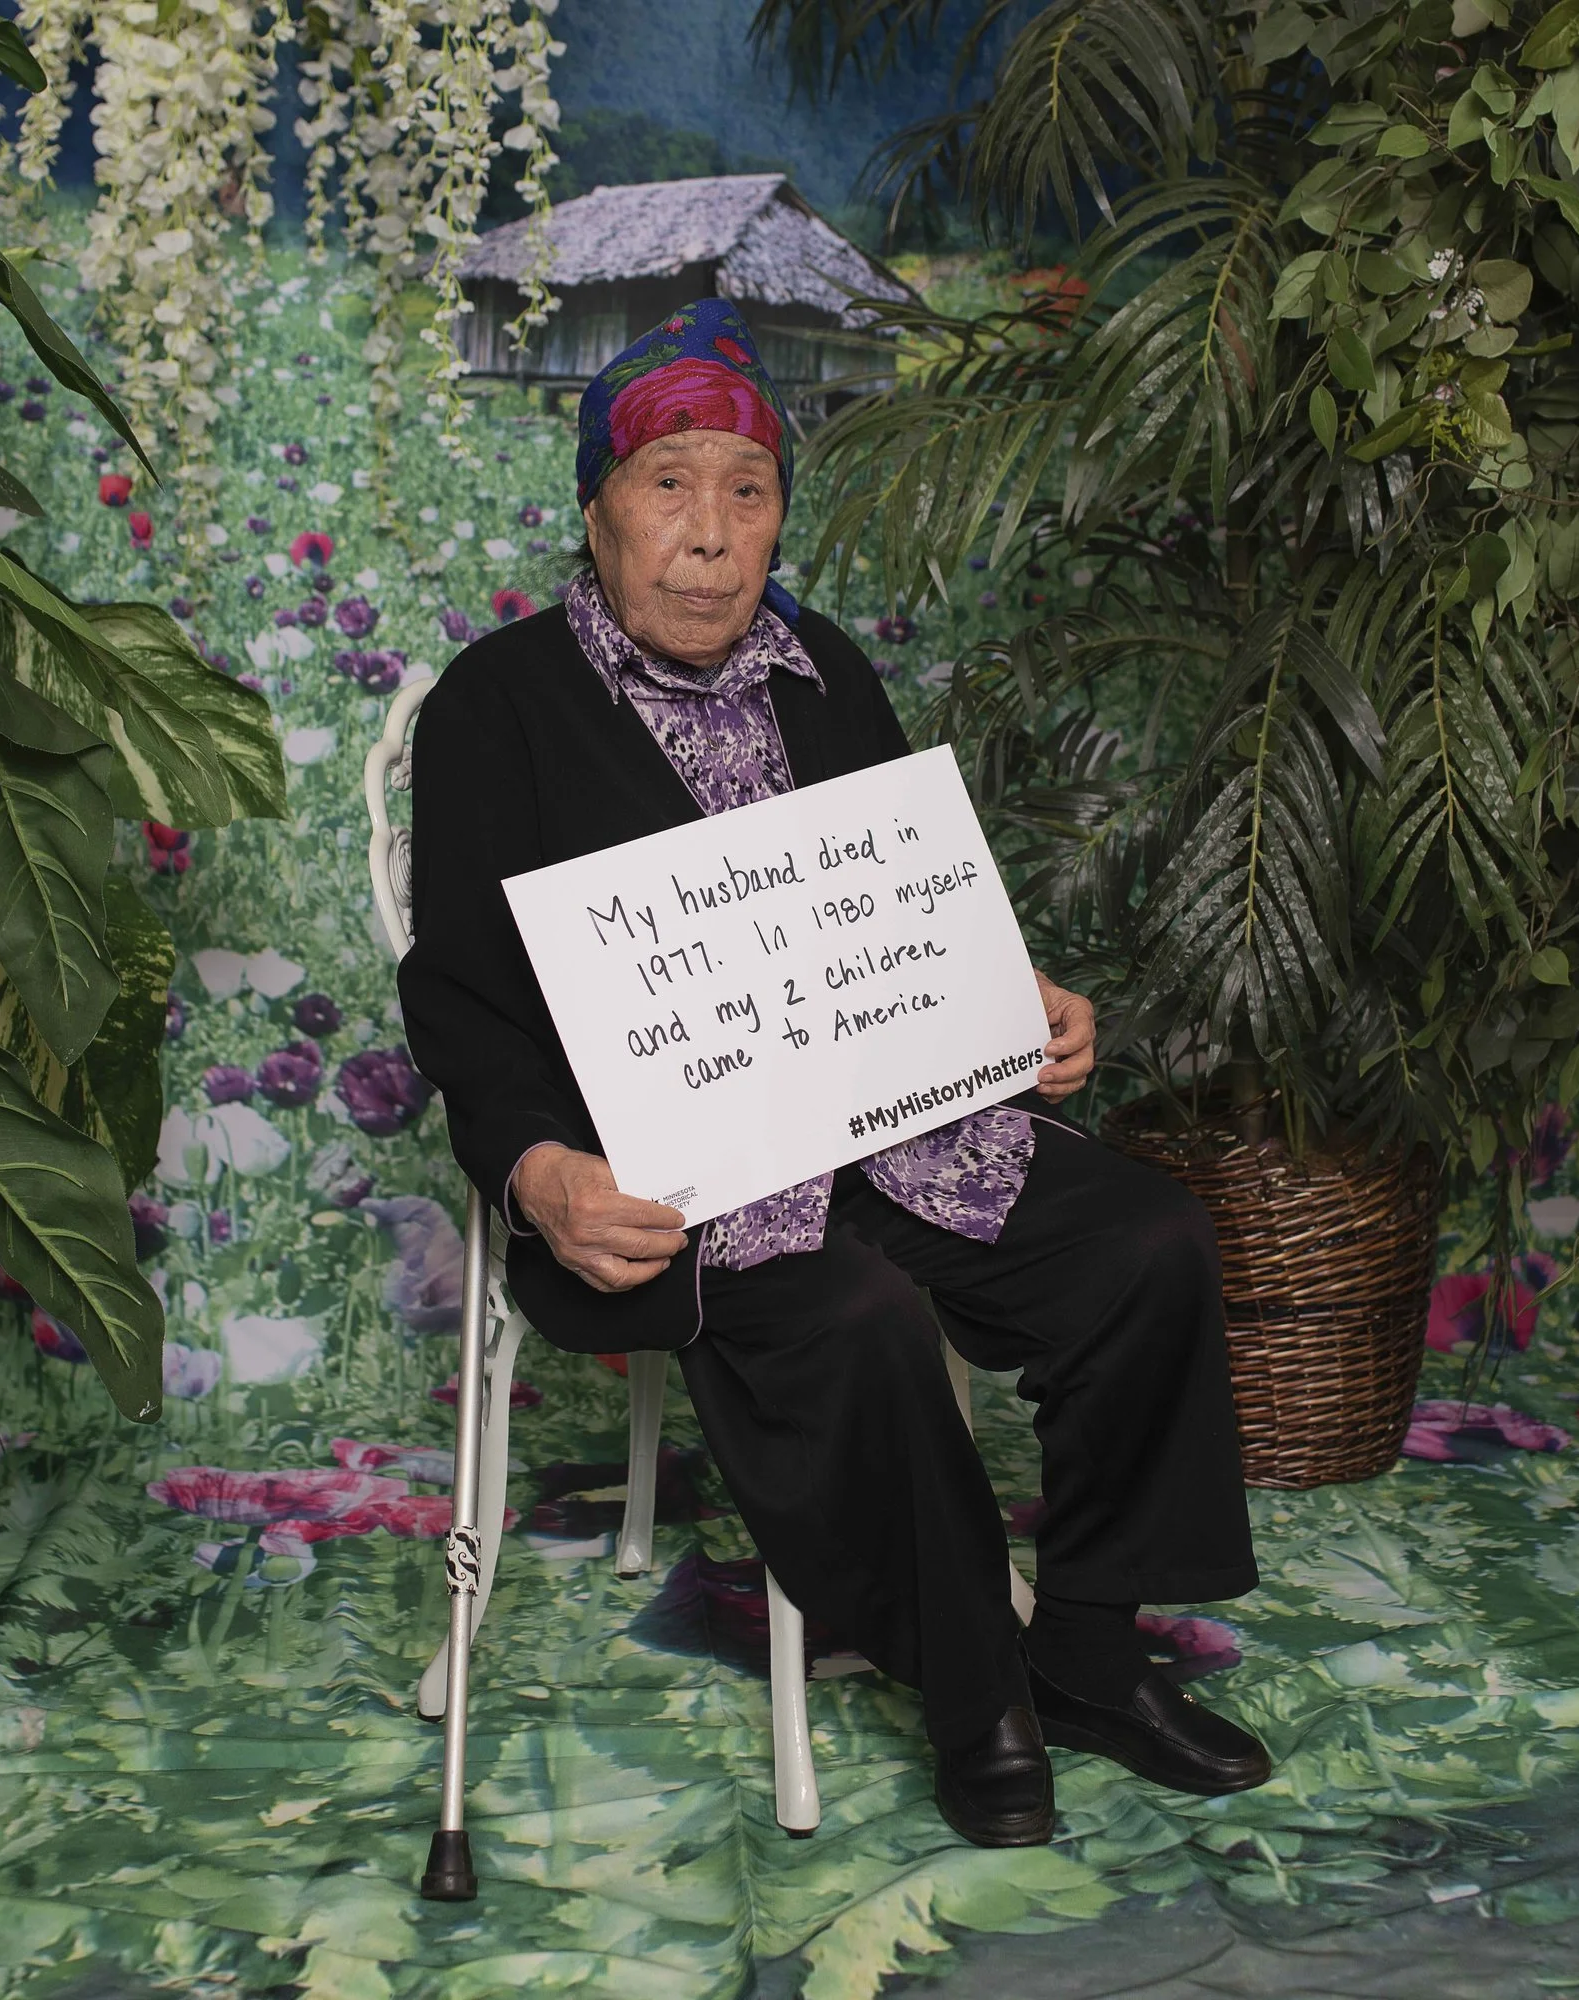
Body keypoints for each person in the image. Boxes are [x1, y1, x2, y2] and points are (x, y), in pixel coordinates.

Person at [397, 299, 1268, 1847]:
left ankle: (1084, 1649)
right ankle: (975, 1691)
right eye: (671, 485)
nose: (711, 536)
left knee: (1147, 1239)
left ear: (781, 515)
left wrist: (1022, 1006)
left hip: (894, 1132)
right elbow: (462, 1001)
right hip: (670, 1181)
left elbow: (911, 913)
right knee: (858, 1320)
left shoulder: (824, 675)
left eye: (749, 490)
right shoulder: (499, 707)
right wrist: (544, 1174)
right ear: (596, 512)